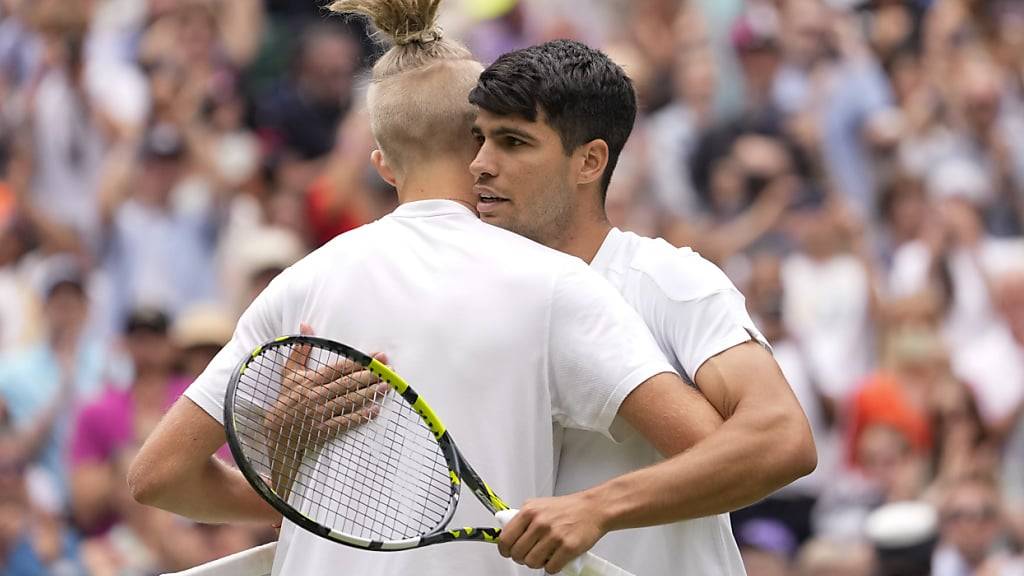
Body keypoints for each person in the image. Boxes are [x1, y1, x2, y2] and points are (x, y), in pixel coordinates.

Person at [128, 2, 732, 575]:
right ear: (482, 145)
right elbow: (711, 452)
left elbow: (159, 475)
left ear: (383, 164)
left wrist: (319, 497)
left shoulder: (298, 285)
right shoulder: (556, 283)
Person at [468, 39, 816, 574]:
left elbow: (782, 438)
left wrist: (598, 508)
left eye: (513, 142)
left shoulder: (666, 278)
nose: (482, 165)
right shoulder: (470, 296)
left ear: (589, 161)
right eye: (480, 139)